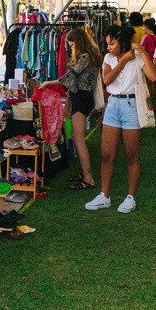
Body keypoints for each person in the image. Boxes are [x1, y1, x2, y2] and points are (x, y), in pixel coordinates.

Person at [85, 26, 156, 214]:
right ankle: (104, 195)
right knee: (107, 155)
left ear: (122, 42)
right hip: (113, 106)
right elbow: (107, 80)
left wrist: (142, 51)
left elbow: (153, 76)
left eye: (112, 43)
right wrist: (123, 60)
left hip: (132, 106)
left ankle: (131, 197)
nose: (108, 47)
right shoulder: (108, 59)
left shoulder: (138, 57)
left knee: (131, 155)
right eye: (107, 43)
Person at [40, 26, 102, 190]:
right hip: (81, 98)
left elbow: (70, 76)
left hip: (81, 99)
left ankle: (89, 178)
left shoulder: (85, 57)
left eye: (72, 45)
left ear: (78, 43)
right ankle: (85, 173)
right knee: (76, 137)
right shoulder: (89, 56)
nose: (70, 48)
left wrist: (48, 83)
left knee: (79, 138)